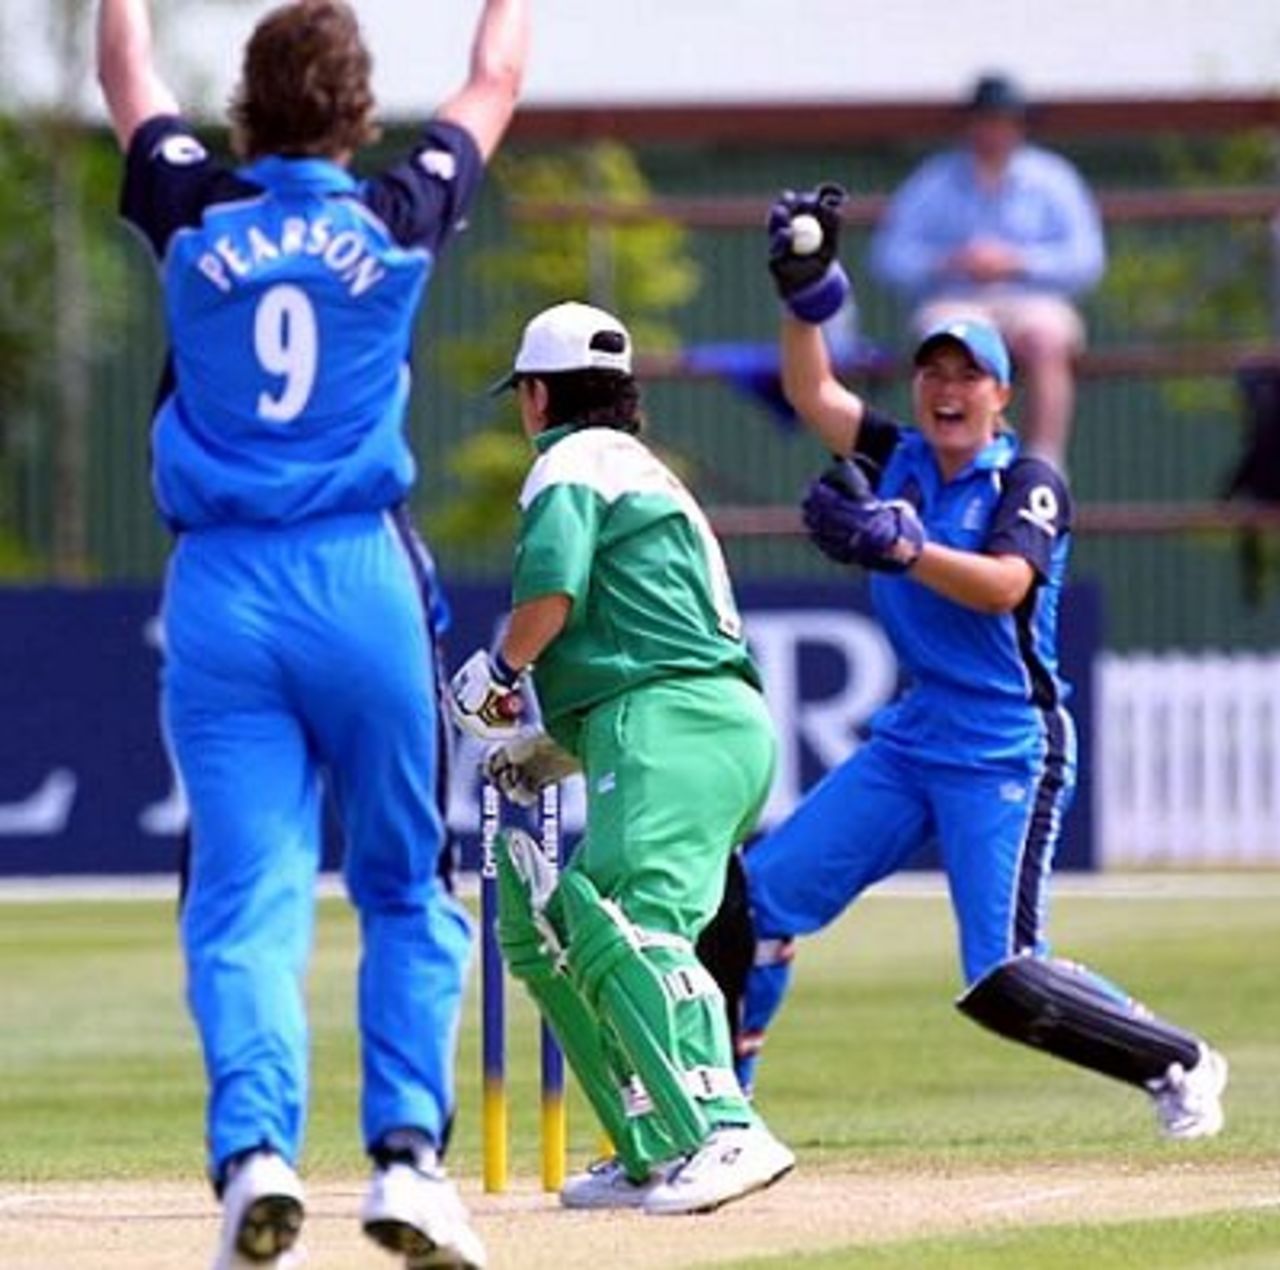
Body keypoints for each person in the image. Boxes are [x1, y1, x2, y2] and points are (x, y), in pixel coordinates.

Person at [96, 1, 527, 1267]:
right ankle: (407, 1163)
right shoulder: (396, 212)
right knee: (403, 882)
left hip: (223, 588)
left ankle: (256, 1161)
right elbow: (495, 75)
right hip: (359, 579)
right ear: (357, 112)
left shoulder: (192, 202)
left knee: (243, 896)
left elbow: (123, 67)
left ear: (246, 108)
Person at [711, 185, 1227, 1143]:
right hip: (913, 738)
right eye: (933, 372)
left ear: (1001, 395)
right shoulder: (900, 456)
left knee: (1003, 976)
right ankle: (722, 1118)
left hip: (1005, 746)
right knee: (753, 907)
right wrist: (802, 295)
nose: (947, 389)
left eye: (969, 375)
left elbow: (1002, 586)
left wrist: (903, 548)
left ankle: (1177, 1057)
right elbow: (812, 394)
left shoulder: (1028, 480)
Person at [447, 301, 795, 1216]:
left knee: (639, 925)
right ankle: (651, 1142)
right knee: (578, 931)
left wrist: (499, 673)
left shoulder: (569, 463)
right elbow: (633, 646)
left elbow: (552, 595)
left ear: (536, 394)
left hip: (671, 724)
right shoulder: (641, 471)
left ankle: (727, 1127)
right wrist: (548, 750)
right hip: (702, 726)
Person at [870, 72, 1106, 469]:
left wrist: (1019, 262)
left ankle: (1043, 466)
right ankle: (962, 464)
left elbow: (1086, 258)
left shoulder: (1053, 179)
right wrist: (948, 261)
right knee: (952, 347)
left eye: (1003, 122)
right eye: (985, 121)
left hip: (1031, 297)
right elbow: (890, 258)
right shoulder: (933, 181)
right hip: (956, 296)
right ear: (968, 125)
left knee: (1047, 339)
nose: (993, 132)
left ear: (1020, 127)